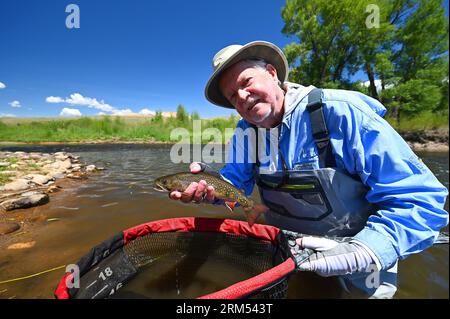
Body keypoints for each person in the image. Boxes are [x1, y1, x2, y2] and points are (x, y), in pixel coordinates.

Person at [169, 41, 449, 298]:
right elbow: (235, 184)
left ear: (271, 72)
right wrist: (210, 185)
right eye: (232, 96)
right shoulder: (246, 132)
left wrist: (365, 251)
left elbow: (421, 201)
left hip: (362, 258)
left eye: (246, 82)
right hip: (290, 252)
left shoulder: (342, 112)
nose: (242, 96)